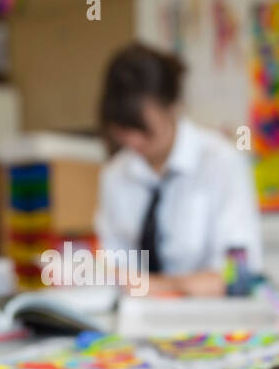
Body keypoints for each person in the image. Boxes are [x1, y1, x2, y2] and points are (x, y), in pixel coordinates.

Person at [94, 42, 262, 296]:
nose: (133, 141)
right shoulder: (115, 174)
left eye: (143, 130)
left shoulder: (221, 162)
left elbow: (237, 275)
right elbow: (113, 268)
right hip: (135, 318)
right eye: (122, 130)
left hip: (212, 321)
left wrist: (157, 287)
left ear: (172, 106)